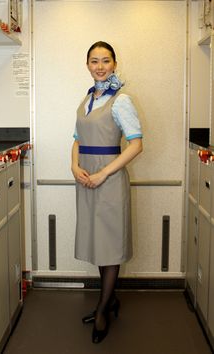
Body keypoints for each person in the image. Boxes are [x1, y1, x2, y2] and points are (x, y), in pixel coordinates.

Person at [71, 41, 143, 344]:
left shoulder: (121, 100)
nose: (99, 66)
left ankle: (102, 309)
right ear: (87, 65)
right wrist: (74, 166)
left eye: (106, 60)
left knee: (110, 243)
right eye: (94, 61)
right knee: (99, 241)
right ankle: (110, 299)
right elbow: (77, 138)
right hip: (85, 177)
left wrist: (103, 172)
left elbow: (137, 145)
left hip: (109, 180)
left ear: (114, 64)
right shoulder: (87, 98)